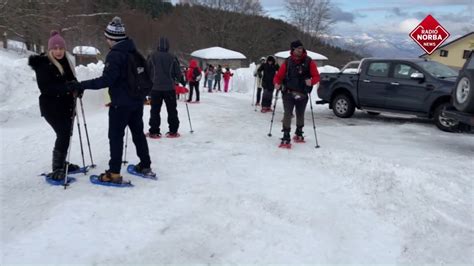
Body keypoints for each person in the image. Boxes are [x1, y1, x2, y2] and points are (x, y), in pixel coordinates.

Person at [76, 17, 154, 183]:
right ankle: (145, 165)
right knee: (138, 134)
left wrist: (82, 85)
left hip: (120, 104)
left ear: (112, 38)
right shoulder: (134, 52)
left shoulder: (115, 55)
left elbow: (106, 80)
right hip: (136, 101)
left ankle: (114, 173)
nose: (106, 41)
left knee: (116, 136)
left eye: (107, 38)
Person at [28, 30, 81, 180]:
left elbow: (71, 81)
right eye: (55, 49)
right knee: (63, 133)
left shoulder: (67, 62)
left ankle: (62, 163)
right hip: (51, 107)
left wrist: (77, 88)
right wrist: (67, 87)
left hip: (66, 106)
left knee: (66, 134)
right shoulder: (43, 64)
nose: (58, 51)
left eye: (61, 48)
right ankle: (57, 168)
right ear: (50, 49)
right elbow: (46, 88)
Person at [274, 40, 320, 146]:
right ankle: (286, 135)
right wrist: (276, 83)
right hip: (288, 93)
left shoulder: (309, 62)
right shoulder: (287, 62)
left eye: (301, 48)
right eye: (298, 48)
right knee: (287, 114)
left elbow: (317, 76)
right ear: (293, 50)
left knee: (300, 114)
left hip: (303, 93)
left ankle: (299, 132)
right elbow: (278, 76)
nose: (300, 50)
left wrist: (311, 81)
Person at [147, 37, 185, 138]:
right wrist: (182, 81)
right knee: (172, 110)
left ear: (158, 46)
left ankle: (154, 131)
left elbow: (147, 71)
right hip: (169, 89)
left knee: (155, 110)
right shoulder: (172, 57)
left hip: (155, 89)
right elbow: (178, 72)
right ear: (167, 46)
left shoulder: (152, 56)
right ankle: (173, 130)